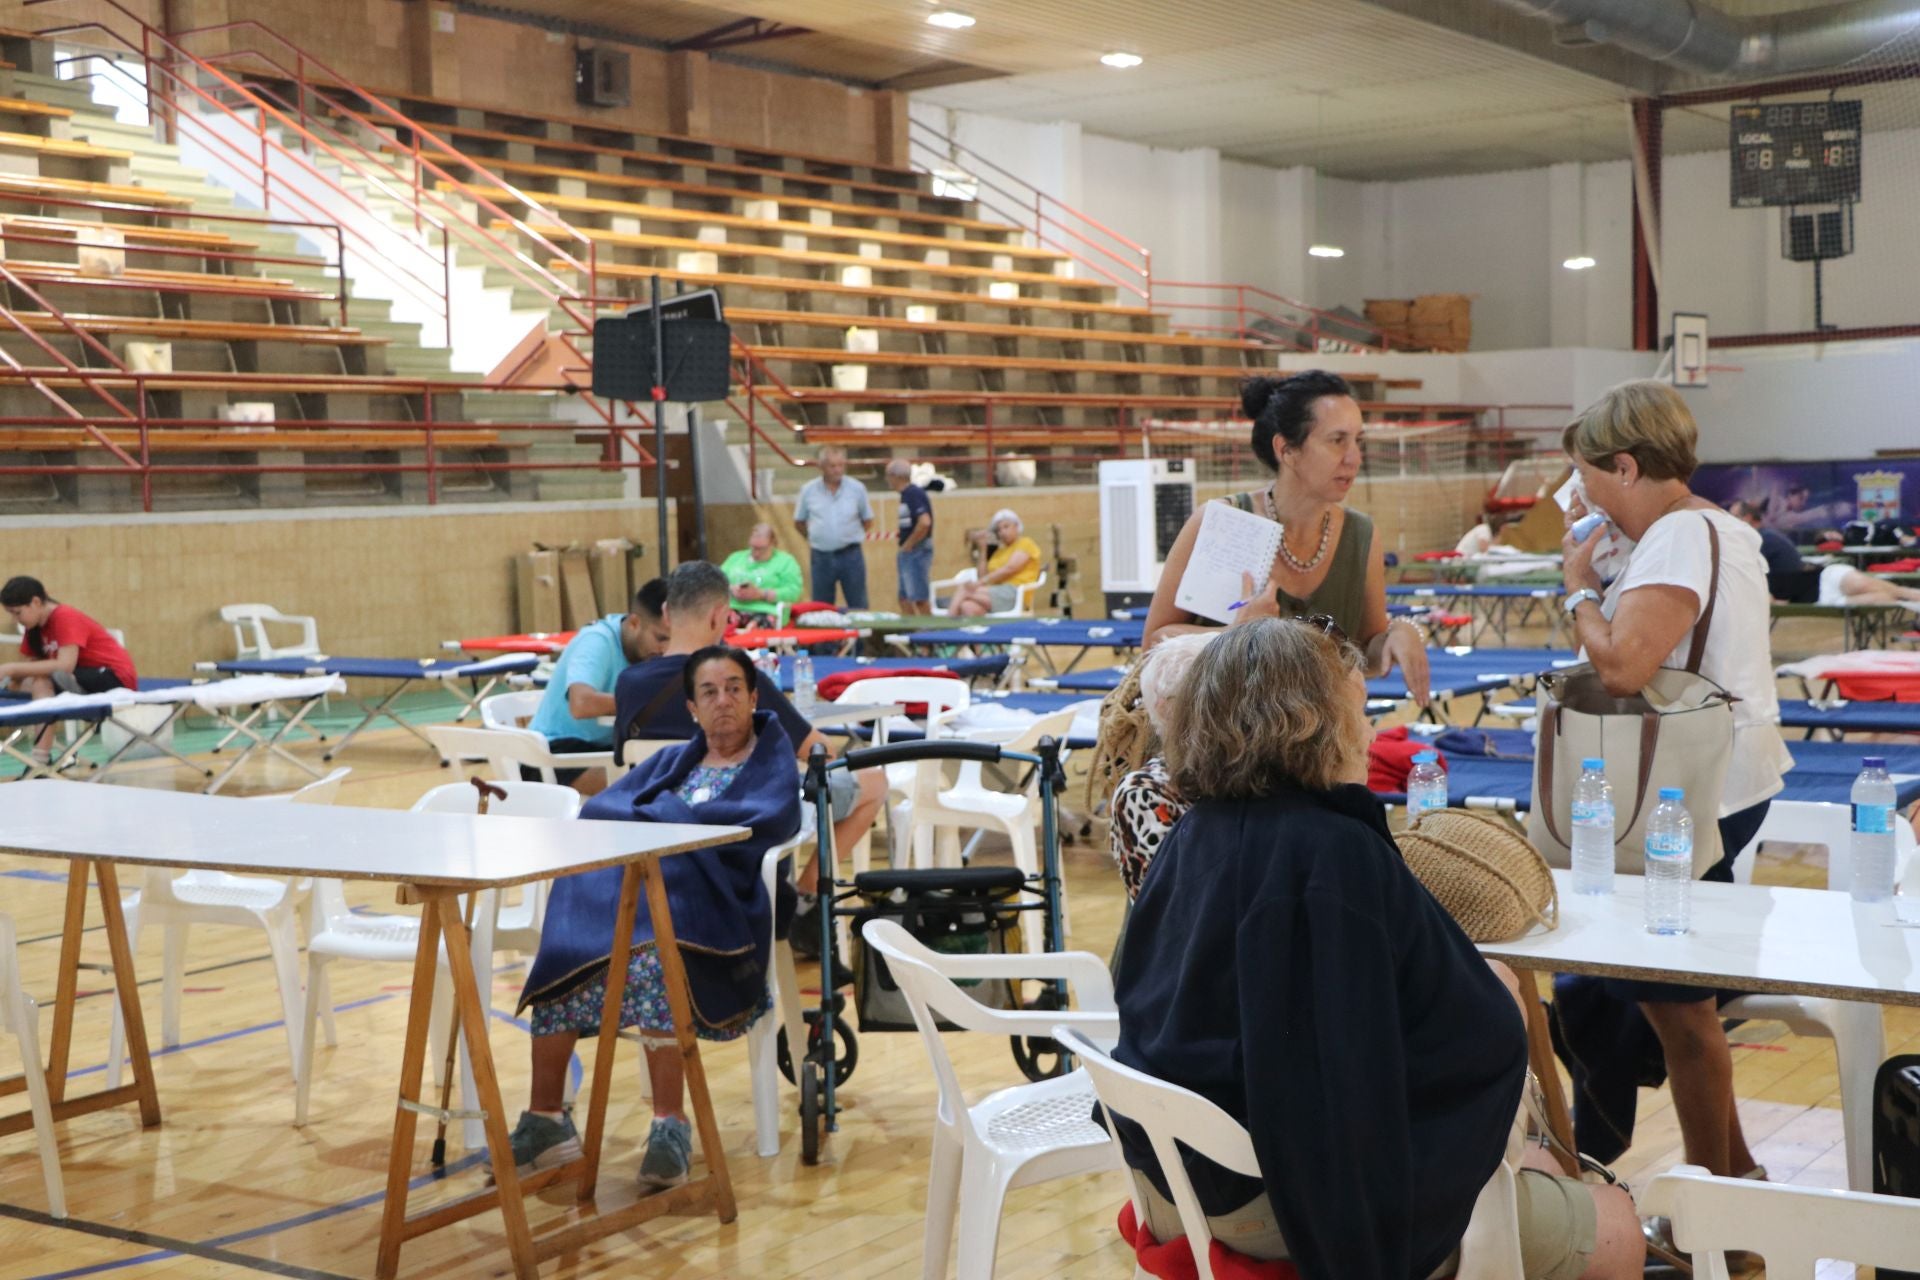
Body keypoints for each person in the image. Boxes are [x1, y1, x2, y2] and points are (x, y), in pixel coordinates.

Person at [1113, 619, 1642, 1280]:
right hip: (1284, 1210)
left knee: (1533, 1166)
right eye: (1359, 712)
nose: (1367, 732)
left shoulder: (1191, 839)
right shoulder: (1335, 855)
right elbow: (1464, 1047)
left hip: (1169, 1184)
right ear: (1312, 723)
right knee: (1619, 1228)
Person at [1560, 379, 1792, 1190]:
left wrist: (1580, 590)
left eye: (1587, 474)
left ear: (1623, 466)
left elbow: (1623, 666)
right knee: (1672, 1006)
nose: (1581, 491)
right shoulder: (1720, 529)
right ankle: (1741, 1182)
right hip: (1731, 777)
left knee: (1682, 1014)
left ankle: (1722, 1221)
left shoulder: (1676, 537)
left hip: (1694, 789)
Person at [505, 646, 802, 1188]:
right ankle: (546, 1118)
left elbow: (770, 820)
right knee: (566, 944)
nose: (724, 701)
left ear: (755, 697)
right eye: (709, 692)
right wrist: (663, 824)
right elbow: (601, 811)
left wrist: (663, 823)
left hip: (716, 910)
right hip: (641, 900)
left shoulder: (771, 765)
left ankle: (671, 1123)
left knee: (654, 961)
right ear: (692, 707)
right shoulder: (673, 762)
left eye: (735, 688)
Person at [612, 561, 885, 933]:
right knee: (874, 781)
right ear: (719, 617)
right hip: (742, 845)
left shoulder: (628, 683)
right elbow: (819, 752)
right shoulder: (737, 682)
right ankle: (805, 901)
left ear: (665, 613)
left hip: (658, 844)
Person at [1145, 371, 1432, 707]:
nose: (1354, 457)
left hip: (1320, 746)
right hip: (1222, 743)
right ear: (1287, 450)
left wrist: (1400, 634)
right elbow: (1154, 643)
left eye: (1358, 441)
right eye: (1337, 440)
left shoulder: (1362, 534)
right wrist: (1235, 638)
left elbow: (1363, 653)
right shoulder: (1225, 522)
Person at [526, 579, 669, 795]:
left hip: (606, 749)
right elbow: (581, 704)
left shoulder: (652, 652)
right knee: (649, 789)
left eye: (671, 640)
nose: (664, 648)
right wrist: (649, 704)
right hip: (552, 753)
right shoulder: (597, 641)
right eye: (660, 638)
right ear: (634, 623)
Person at [1104, 632, 1214, 901]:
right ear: (1167, 709)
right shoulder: (1144, 793)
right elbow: (1179, 906)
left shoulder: (1251, 772)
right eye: (1213, 695)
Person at [0, 576, 139, 764]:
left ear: (36, 602)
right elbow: (31, 666)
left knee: (45, 680)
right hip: (75, 676)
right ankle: (41, 761)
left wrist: (10, 668)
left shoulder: (65, 617)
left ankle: (80, 703)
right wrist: (13, 678)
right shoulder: (33, 628)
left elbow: (65, 665)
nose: (15, 619)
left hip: (112, 677)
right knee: (33, 683)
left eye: (17, 613)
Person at [793, 445, 874, 609]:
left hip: (851, 555)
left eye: (841, 465)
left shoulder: (857, 489)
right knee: (821, 607)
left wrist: (848, 535)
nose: (837, 470)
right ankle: (827, 636)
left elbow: (867, 519)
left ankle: (862, 635)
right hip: (821, 556)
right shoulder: (808, 491)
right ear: (821, 466)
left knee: (858, 604)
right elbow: (799, 522)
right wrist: (816, 537)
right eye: (832, 466)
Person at [946, 509, 1040, 617]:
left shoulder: (1025, 543)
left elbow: (1010, 569)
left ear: (1017, 526)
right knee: (967, 606)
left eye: (1006, 527)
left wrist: (979, 583)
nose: (1002, 532)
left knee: (965, 589)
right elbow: (982, 576)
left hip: (1014, 592)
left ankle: (946, 622)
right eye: (999, 530)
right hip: (995, 590)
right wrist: (983, 549)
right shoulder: (999, 552)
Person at [719, 524, 803, 627]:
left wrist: (761, 594)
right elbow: (716, 582)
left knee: (757, 624)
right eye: (753, 548)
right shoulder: (736, 558)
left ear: (773, 544)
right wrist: (731, 589)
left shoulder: (785, 562)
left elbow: (793, 592)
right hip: (734, 608)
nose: (756, 553)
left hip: (766, 610)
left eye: (761, 549)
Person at [886, 459, 935, 616]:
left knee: (919, 598)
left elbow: (924, 522)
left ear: (895, 476)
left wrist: (909, 544)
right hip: (910, 551)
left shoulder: (913, 494)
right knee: (904, 598)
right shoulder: (906, 495)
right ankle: (913, 633)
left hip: (916, 551)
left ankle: (929, 635)